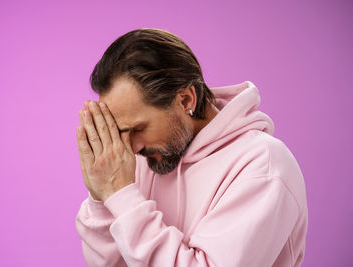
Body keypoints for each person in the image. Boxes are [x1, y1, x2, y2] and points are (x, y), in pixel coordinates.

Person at [75, 28, 308, 267]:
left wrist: (122, 197)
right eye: (122, 131)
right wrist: (102, 196)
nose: (132, 148)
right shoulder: (148, 157)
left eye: (139, 128)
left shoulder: (264, 167)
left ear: (186, 100)